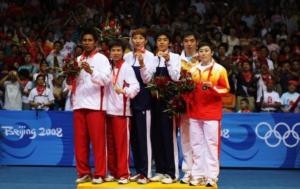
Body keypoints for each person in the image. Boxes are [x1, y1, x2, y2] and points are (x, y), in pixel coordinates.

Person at [188, 41, 229, 187]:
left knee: (211, 145)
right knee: (196, 145)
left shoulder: (220, 69)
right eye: (201, 51)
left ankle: (211, 177)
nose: (203, 53)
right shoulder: (193, 70)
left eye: (206, 50)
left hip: (212, 112)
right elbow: (188, 90)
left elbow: (226, 89)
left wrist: (213, 88)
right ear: (198, 54)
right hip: (195, 112)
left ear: (211, 53)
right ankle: (197, 175)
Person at [73, 28, 111, 184]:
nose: (87, 43)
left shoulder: (101, 58)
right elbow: (74, 83)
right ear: (81, 42)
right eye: (85, 40)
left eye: (90, 40)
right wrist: (69, 79)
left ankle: (100, 173)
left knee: (98, 142)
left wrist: (91, 72)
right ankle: (84, 173)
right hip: (79, 104)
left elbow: (106, 80)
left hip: (96, 105)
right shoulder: (77, 60)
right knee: (80, 142)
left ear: (95, 42)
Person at [105, 39, 140, 184]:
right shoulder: (107, 67)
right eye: (113, 50)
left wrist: (124, 91)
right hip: (107, 111)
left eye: (118, 50)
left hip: (122, 112)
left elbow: (136, 86)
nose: (116, 53)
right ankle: (113, 172)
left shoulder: (127, 67)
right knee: (111, 144)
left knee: (121, 145)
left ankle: (124, 174)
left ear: (123, 52)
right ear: (110, 52)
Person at [123, 28, 155, 184]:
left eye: (140, 38)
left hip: (144, 100)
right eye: (134, 38)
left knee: (144, 138)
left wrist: (142, 64)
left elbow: (148, 80)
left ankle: (146, 173)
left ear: (145, 40)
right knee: (134, 138)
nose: (137, 40)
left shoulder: (151, 57)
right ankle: (138, 170)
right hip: (129, 100)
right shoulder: (127, 57)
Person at [149, 29, 181, 184]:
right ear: (156, 43)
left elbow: (176, 77)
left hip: (169, 102)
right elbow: (148, 78)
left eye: (165, 39)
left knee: (169, 137)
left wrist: (168, 60)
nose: (162, 42)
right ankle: (160, 170)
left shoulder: (175, 57)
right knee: (156, 135)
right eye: (159, 40)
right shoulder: (153, 59)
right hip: (154, 101)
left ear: (169, 42)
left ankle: (172, 173)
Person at [179, 30, 199, 184]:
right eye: (186, 41)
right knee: (185, 138)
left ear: (196, 42)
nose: (189, 43)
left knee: (199, 139)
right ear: (182, 43)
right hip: (182, 104)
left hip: (199, 105)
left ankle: (199, 171)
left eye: (192, 40)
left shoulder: (204, 58)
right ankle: (188, 171)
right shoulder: (176, 60)